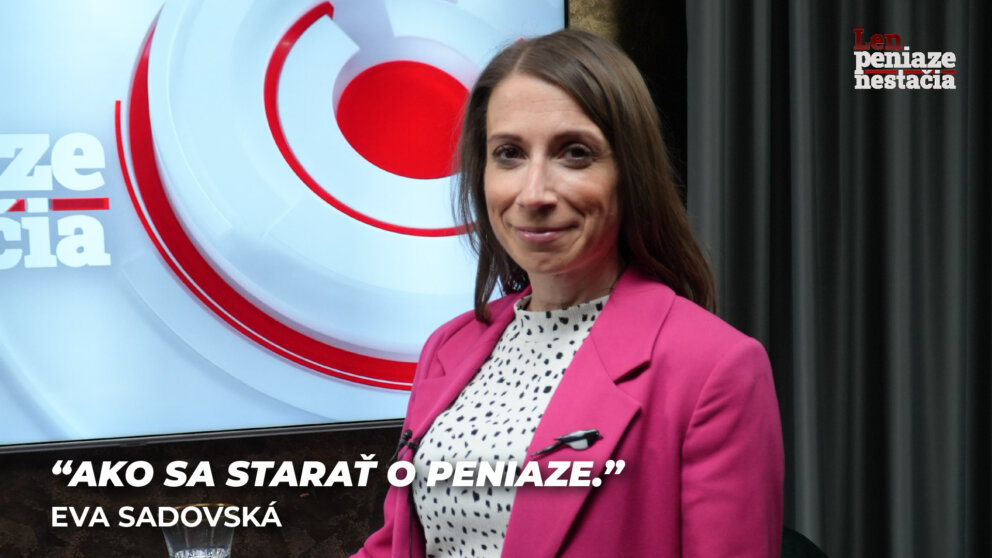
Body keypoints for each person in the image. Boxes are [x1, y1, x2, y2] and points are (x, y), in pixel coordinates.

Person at [354, 29, 783, 558]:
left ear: (630, 173)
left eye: (574, 153)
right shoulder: (449, 346)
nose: (533, 193)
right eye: (509, 154)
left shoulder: (715, 368)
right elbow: (395, 545)